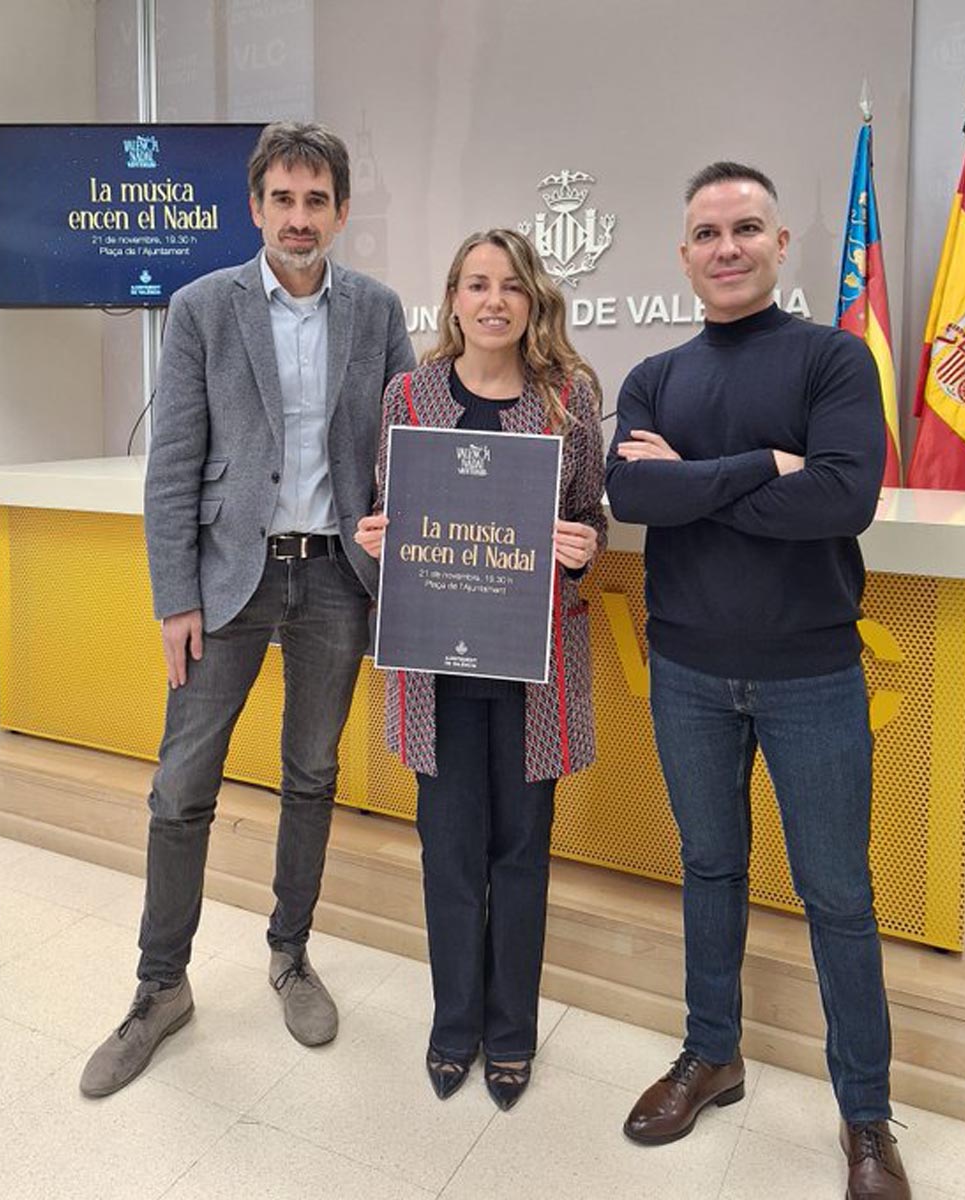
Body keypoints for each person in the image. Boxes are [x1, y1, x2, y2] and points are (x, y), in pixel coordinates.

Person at [80, 121, 415, 1098]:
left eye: (316, 201)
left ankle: (291, 953)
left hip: (336, 581)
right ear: (256, 207)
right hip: (230, 580)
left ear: (340, 212)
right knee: (182, 785)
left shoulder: (377, 310)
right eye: (282, 200)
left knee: (312, 774)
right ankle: (159, 987)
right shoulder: (201, 307)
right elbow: (172, 466)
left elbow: (407, 441)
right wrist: (174, 598)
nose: (298, 218)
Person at [605, 163, 909, 1200]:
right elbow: (631, 494)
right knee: (709, 869)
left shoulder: (832, 359)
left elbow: (842, 501)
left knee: (838, 896)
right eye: (706, 232)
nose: (725, 247)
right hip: (686, 667)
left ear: (780, 244)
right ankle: (712, 1055)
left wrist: (690, 481)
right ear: (683, 254)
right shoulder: (654, 375)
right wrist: (761, 467)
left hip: (810, 673)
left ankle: (865, 1117)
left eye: (745, 228)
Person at [355, 228, 606, 1111]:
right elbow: (388, 506)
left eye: (509, 285)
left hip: (531, 671)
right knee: (449, 853)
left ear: (533, 300)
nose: (492, 300)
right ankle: (453, 1023)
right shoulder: (407, 395)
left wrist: (584, 545)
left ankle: (511, 1031)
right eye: (475, 284)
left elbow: (589, 516)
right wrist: (377, 536)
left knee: (521, 853)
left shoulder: (568, 398)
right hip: (436, 672)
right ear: (453, 300)